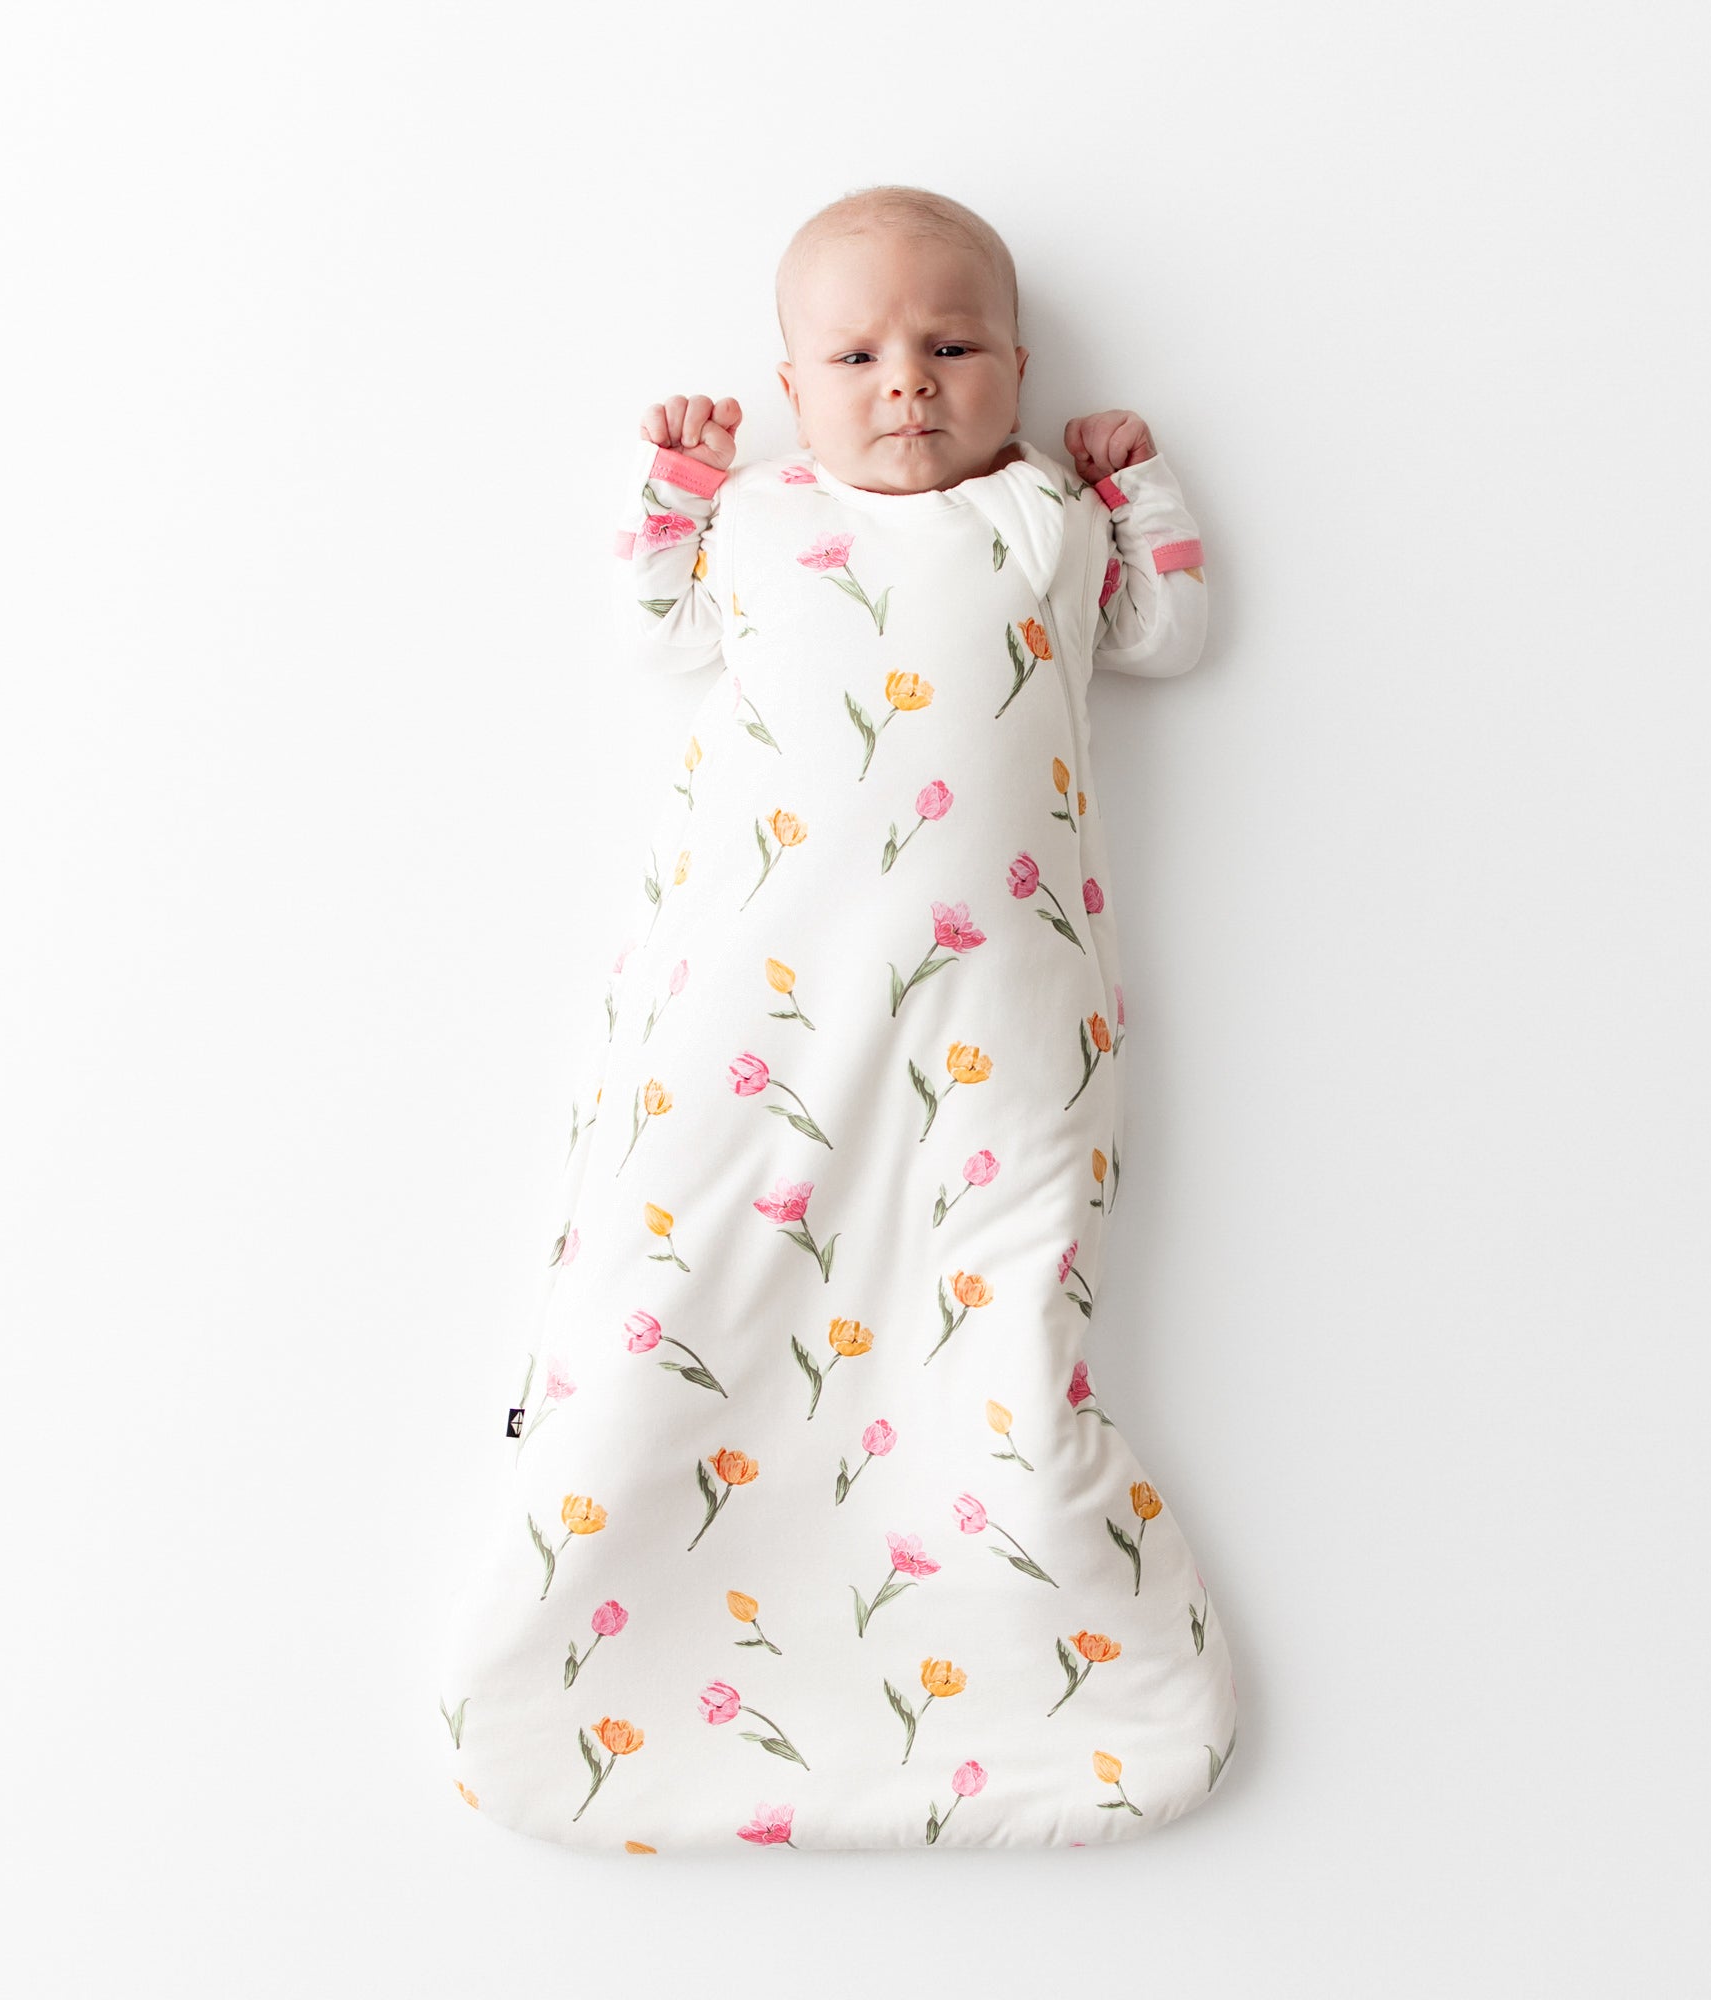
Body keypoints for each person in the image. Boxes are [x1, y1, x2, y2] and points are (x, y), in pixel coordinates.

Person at [434, 183, 1236, 1854]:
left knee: (1002, 1288)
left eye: (953, 347)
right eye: (857, 354)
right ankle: (610, 1618)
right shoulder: (764, 523)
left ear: (1014, 366)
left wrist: (1139, 484)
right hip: (766, 984)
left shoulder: (1045, 521)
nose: (909, 385)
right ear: (794, 392)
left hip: (998, 997)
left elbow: (1171, 633)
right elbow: (655, 632)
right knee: (701, 1260)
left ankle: (1033, 1638)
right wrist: (666, 485)